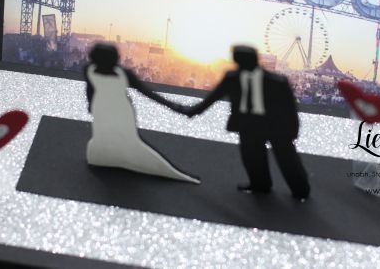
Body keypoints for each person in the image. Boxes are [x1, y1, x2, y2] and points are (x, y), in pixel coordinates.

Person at [182, 45, 310, 200]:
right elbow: (213, 98)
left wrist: (293, 130)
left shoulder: (277, 82)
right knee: (252, 157)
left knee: (287, 158)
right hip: (248, 124)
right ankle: (260, 185)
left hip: (276, 125)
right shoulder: (232, 78)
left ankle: (300, 189)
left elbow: (290, 108)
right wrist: (194, 110)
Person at [85, 43, 199, 184]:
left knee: (118, 137)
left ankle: (109, 158)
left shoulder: (91, 69)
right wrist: (177, 107)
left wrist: (90, 104)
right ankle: (112, 158)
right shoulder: (121, 73)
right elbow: (147, 93)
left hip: (109, 109)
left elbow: (90, 90)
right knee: (109, 135)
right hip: (109, 109)